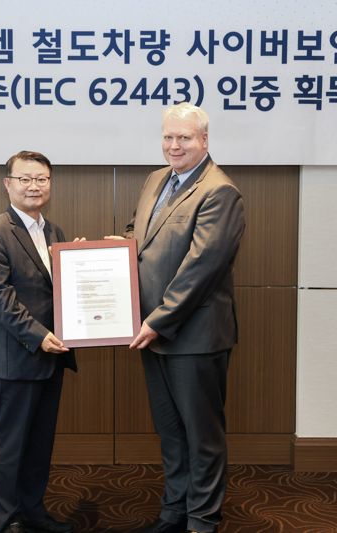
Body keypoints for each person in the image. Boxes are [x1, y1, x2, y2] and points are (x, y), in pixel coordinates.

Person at [110, 103, 245, 533]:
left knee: (201, 436)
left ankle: (202, 521)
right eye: (168, 137)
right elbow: (139, 233)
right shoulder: (156, 179)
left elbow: (201, 268)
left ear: (204, 140)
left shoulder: (219, 191)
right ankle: (174, 512)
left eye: (184, 138)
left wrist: (157, 321)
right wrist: (115, 249)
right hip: (153, 331)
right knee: (170, 431)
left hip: (193, 335)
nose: (174, 145)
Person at [0, 150, 77, 533]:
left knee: (39, 444)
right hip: (19, 356)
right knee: (12, 444)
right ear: (8, 184)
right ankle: (8, 520)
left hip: (52, 356)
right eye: (25, 179)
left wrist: (78, 264)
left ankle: (34, 512)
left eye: (42, 179)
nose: (34, 186)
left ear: (50, 183)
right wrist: (39, 336)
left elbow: (58, 292)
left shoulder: (55, 232)